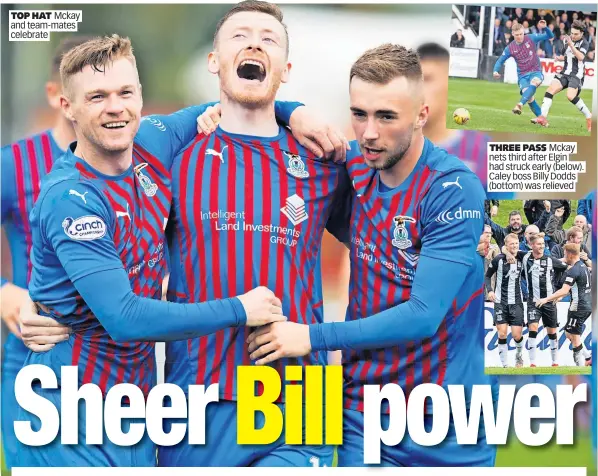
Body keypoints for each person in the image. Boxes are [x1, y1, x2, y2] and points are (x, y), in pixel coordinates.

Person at [15, 34, 288, 467]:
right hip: (69, 411)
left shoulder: (154, 141)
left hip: (136, 407)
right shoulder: (71, 197)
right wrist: (240, 308)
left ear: (141, 96)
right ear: (68, 107)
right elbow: (125, 318)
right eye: (97, 97)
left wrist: (300, 113)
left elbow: (237, 103)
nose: (115, 107)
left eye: (125, 92)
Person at [247, 43, 496, 467]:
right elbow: (253, 116)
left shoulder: (452, 190)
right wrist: (295, 111)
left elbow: (422, 315)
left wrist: (310, 336)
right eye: (359, 114)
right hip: (362, 414)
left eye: (386, 116)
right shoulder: (353, 167)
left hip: (449, 421)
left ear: (421, 115)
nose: (368, 133)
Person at [155, 1, 350, 467]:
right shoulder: (174, 158)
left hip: (305, 392)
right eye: (239, 35)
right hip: (201, 392)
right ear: (213, 61)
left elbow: (392, 235)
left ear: (285, 68)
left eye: (269, 38)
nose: (254, 43)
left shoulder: (324, 160)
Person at [0, 35, 95, 470]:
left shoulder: (143, 164)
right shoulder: (14, 164)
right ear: (57, 95)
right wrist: (3, 291)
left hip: (118, 372)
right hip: (35, 365)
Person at [505, 235, 568, 367]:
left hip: (549, 302)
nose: (542, 246)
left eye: (543, 244)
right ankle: (532, 363)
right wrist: (506, 253)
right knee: (533, 327)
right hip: (533, 302)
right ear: (532, 245)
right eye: (538, 244)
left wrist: (560, 292)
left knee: (552, 332)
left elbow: (567, 270)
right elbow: (505, 248)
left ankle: (555, 362)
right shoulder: (525, 256)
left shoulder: (551, 260)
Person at [536, 243, 592, 366]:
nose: (564, 256)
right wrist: (561, 296)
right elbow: (577, 287)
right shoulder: (584, 267)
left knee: (575, 337)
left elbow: (565, 289)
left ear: (570, 254)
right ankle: (588, 356)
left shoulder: (573, 270)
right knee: (569, 333)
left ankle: (580, 367)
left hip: (578, 307)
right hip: (586, 304)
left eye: (565, 253)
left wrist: (546, 299)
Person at [533, 20, 592, 132]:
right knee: (550, 90)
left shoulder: (584, 43)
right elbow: (567, 56)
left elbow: (580, 57)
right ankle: (542, 118)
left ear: (582, 34)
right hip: (565, 72)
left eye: (576, 34)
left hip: (577, 75)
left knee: (570, 96)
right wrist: (561, 58)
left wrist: (571, 45)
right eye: (572, 33)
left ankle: (589, 116)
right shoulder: (567, 40)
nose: (573, 36)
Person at [493, 21, 553, 116]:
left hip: (535, 71)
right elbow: (500, 60)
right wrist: (495, 71)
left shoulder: (531, 38)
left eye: (521, 34)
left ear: (524, 32)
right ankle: (542, 119)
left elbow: (549, 35)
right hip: (523, 75)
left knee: (535, 82)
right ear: (512, 33)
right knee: (529, 98)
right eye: (517, 35)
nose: (519, 36)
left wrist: (545, 27)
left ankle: (519, 104)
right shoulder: (510, 48)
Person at [486, 234, 526, 368]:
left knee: (516, 335)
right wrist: (490, 290)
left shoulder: (522, 258)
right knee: (502, 333)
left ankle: (519, 355)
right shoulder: (498, 259)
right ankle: (505, 365)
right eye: (511, 244)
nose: (514, 246)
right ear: (506, 245)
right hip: (500, 302)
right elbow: (487, 276)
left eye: (516, 243)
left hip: (516, 302)